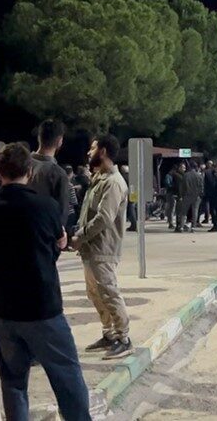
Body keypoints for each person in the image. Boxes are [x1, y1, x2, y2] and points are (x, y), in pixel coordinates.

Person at [0, 143, 92, 421]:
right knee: (66, 376)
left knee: (13, 382)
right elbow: (55, 246)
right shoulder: (46, 206)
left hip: (6, 309)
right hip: (43, 306)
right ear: (29, 171)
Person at [72, 134, 133, 360]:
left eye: (93, 148)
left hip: (103, 248)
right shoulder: (99, 178)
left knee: (109, 292)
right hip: (91, 248)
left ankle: (123, 338)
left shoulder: (114, 182)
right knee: (95, 293)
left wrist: (80, 236)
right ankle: (109, 334)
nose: (89, 152)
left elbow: (104, 218)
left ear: (103, 151)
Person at [27, 120, 74, 241]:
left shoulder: (21, 163)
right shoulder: (57, 173)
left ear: (39, 137)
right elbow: (61, 213)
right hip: (43, 237)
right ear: (59, 141)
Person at [177, 162, 204, 233]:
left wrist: (181, 195)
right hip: (196, 195)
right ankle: (193, 227)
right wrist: (200, 194)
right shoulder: (199, 176)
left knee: (184, 212)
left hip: (187, 195)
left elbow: (182, 187)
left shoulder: (186, 175)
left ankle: (181, 227)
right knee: (195, 211)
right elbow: (201, 187)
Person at [204, 161, 217, 230]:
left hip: (213, 195)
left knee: (214, 210)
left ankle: (216, 225)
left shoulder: (209, 173)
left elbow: (207, 184)